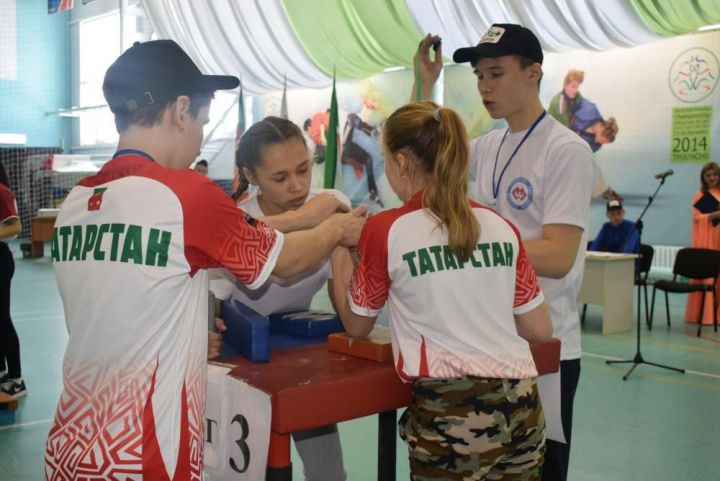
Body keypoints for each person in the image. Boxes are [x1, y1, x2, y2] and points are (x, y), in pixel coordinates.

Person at [44, 40, 365, 480]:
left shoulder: (76, 202)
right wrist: (336, 229)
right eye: (201, 121)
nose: (198, 138)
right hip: (145, 453)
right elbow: (286, 263)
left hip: (71, 446)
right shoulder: (186, 195)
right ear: (179, 110)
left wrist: (306, 217)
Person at [331, 101, 552, 479]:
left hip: (452, 415)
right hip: (524, 409)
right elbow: (538, 329)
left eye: (385, 160)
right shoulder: (500, 225)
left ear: (401, 162)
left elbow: (357, 324)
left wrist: (338, 246)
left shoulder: (386, 228)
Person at [413, 24, 595, 481]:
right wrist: (426, 83)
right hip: (487, 344)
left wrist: (480, 251)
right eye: (478, 76)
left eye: (495, 73)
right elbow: (418, 154)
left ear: (533, 73)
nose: (484, 86)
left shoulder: (566, 150)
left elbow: (558, 255)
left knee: (543, 470)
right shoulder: (485, 147)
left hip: (545, 345)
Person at [213, 116, 348, 481]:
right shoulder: (236, 220)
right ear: (251, 176)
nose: (297, 185)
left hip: (299, 350)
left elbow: (350, 310)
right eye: (280, 177)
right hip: (240, 353)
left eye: (303, 169)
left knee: (329, 474)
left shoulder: (331, 205)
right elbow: (213, 304)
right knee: (243, 473)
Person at [0, 160, 25, 399]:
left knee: (2, 318)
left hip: (0, 259)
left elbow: (15, 227)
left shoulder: (2, 191)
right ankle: (1, 372)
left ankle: (17, 378)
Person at [685, 161, 720, 325]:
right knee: (707, 276)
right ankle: (704, 316)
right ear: (703, 178)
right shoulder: (700, 195)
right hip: (708, 241)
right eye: (708, 175)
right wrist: (714, 215)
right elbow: (696, 218)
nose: (712, 178)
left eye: (714, 174)